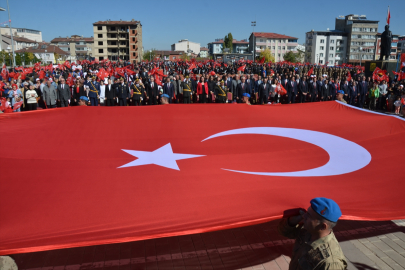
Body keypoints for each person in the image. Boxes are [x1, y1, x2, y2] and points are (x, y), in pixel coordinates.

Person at [278, 197, 347, 270]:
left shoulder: (330, 263)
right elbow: (284, 232)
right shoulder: (308, 230)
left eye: (309, 216)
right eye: (307, 213)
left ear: (323, 226)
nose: (304, 216)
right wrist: (291, 222)